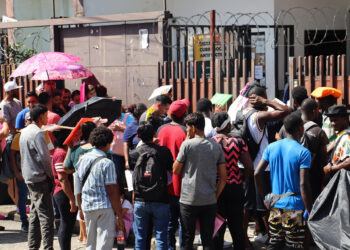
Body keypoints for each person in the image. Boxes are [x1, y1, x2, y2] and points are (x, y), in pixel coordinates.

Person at [241, 86, 291, 246]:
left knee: (248, 206)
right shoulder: (259, 115)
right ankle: (274, 241)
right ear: (258, 99)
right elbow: (286, 111)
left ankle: (243, 239)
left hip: (245, 164)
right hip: (261, 167)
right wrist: (267, 102)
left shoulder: (241, 113)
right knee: (266, 204)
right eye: (264, 97)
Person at [255, 114, 312, 250]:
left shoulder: (271, 147)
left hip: (274, 206)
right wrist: (310, 210)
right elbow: (303, 184)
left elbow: (257, 173)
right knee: (293, 246)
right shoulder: (303, 152)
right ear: (300, 128)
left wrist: (264, 197)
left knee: (275, 244)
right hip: (295, 207)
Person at [173, 112, 227, 250]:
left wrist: (186, 141)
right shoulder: (216, 146)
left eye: (187, 127)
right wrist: (215, 196)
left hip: (188, 200)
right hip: (209, 200)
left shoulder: (187, 145)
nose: (186, 130)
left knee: (187, 239)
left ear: (193, 128)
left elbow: (176, 170)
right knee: (208, 240)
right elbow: (223, 178)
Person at [75, 126, 124, 250]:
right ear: (107, 144)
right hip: (104, 207)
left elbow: (78, 187)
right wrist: (119, 214)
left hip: (87, 206)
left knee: (90, 243)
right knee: (104, 243)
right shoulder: (107, 163)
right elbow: (112, 190)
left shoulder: (82, 159)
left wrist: (80, 207)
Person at [211, 112, 254, 250]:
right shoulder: (238, 142)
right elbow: (249, 166)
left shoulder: (209, 143)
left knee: (217, 227)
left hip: (216, 188)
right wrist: (240, 179)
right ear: (228, 125)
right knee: (237, 226)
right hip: (235, 187)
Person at [129, 122, 174, 250]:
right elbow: (172, 171)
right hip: (161, 198)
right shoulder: (164, 151)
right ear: (154, 133)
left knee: (140, 237)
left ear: (138, 136)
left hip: (140, 199)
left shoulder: (133, 154)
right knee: (161, 236)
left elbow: (133, 176)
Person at [10, 112, 53, 233]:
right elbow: (13, 154)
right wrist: (17, 172)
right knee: (24, 198)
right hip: (26, 173)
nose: (28, 122)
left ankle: (35, 233)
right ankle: (24, 222)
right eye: (27, 120)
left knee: (35, 207)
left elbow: (50, 152)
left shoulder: (43, 133)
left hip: (40, 174)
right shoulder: (21, 134)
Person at [19, 104, 54, 250]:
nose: (47, 118)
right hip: (39, 178)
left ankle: (33, 246)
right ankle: (47, 247)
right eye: (46, 116)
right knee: (46, 217)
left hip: (29, 177)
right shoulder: (38, 133)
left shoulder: (24, 132)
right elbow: (45, 159)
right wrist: (51, 176)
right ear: (40, 117)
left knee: (34, 214)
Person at [157, 99, 190, 250]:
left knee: (170, 221)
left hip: (165, 183)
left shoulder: (160, 129)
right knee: (184, 222)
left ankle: (170, 247)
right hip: (182, 183)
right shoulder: (185, 132)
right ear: (184, 115)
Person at [64, 121, 97, 244]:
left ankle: (86, 240)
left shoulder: (76, 150)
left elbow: (66, 169)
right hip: (98, 192)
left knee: (85, 220)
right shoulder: (101, 149)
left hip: (81, 192)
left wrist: (69, 149)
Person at [51, 131, 77, 250]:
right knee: (66, 224)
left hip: (64, 191)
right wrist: (72, 199)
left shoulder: (62, 152)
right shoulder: (61, 153)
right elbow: (62, 178)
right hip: (63, 192)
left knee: (67, 224)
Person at [323, 105, 350, 175]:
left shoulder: (347, 137)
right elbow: (335, 144)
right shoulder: (341, 133)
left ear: (345, 118)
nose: (333, 124)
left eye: (335, 120)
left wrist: (331, 168)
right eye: (331, 121)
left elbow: (349, 161)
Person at [123, 103, 147, 170]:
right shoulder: (131, 127)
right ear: (141, 114)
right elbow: (126, 144)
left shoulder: (148, 124)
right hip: (136, 161)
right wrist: (127, 161)